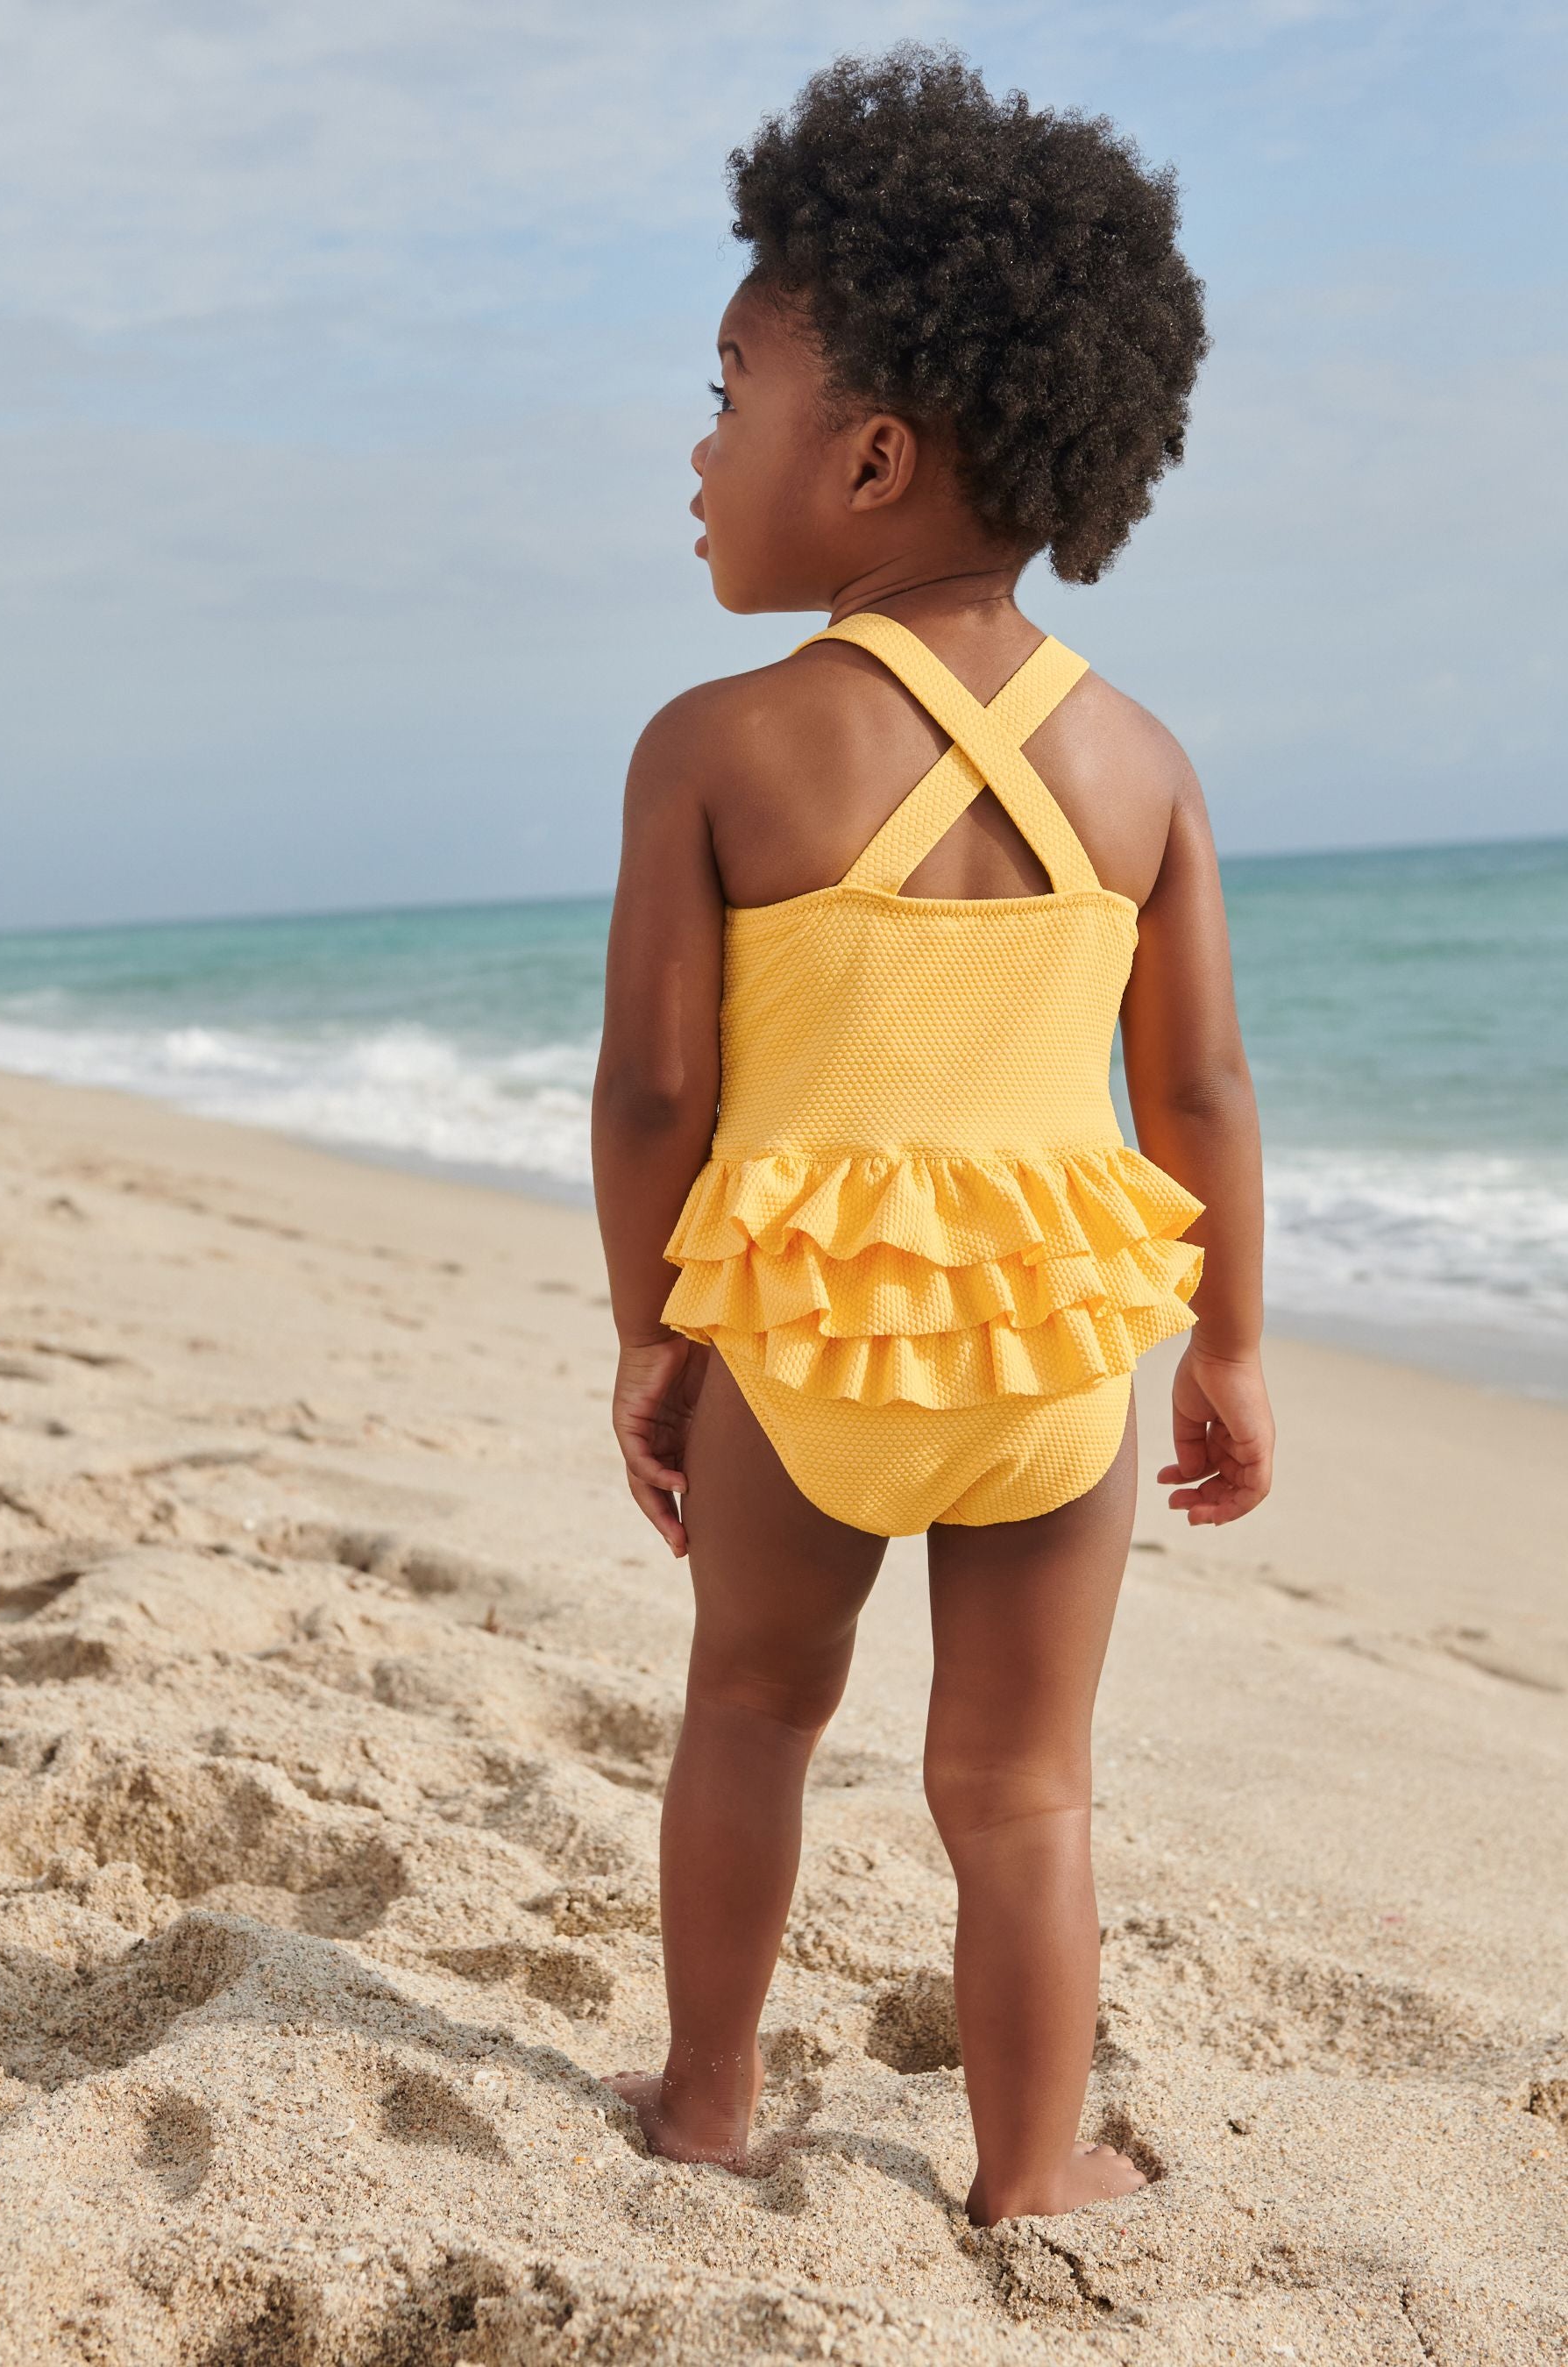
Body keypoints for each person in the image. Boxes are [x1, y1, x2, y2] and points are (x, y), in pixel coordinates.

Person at [591, 46, 1274, 2226]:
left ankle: (707, 2104)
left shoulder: (719, 745)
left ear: (872, 454)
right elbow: (1198, 1096)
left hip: (815, 1338)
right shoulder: (1144, 759)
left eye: (725, 393)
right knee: (1024, 1786)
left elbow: (655, 1096)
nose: (696, 450)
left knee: (756, 1714)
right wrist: (1232, 1345)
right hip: (1062, 1350)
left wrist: (652, 1333)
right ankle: (1028, 2166)